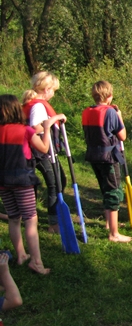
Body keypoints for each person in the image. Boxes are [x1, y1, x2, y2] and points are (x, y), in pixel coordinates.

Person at [0, 94, 64, 274]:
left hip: (3, 181)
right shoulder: (25, 131)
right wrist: (47, 128)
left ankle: (21, 255)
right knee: (30, 219)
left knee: (13, 218)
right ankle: (36, 262)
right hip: (22, 180)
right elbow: (43, 149)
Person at [81, 81, 131, 243]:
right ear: (110, 96)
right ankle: (114, 234)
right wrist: (119, 116)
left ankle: (110, 224)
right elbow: (122, 135)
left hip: (94, 156)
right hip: (108, 158)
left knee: (105, 188)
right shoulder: (110, 112)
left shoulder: (87, 111)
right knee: (114, 192)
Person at [22, 71, 66, 234]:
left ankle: (29, 215)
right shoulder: (38, 105)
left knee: (57, 181)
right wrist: (56, 119)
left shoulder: (32, 103)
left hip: (36, 150)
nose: (53, 93)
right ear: (47, 89)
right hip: (40, 150)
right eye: (53, 90)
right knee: (56, 183)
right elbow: (36, 127)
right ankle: (53, 224)